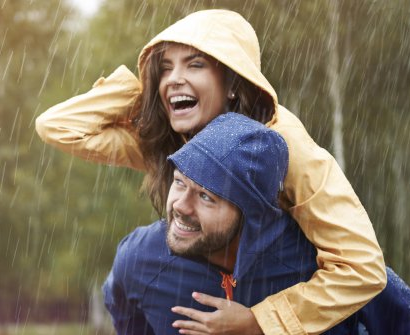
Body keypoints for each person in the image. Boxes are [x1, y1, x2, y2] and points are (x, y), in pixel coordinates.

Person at [36, 9, 387, 334]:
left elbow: (362, 268)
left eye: (195, 65)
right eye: (166, 68)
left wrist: (259, 321)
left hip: (287, 294)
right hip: (206, 285)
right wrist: (147, 90)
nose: (174, 78)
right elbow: (59, 127)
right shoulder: (172, 140)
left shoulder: (285, 145)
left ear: (234, 82)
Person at [102, 112, 410, 335]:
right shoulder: (140, 258)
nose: (180, 207)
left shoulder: (321, 264)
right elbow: (124, 313)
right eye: (179, 183)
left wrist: (261, 323)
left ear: (252, 212)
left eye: (206, 197)